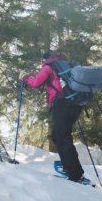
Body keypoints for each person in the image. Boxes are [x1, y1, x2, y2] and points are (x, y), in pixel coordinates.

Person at [21, 50, 87, 183]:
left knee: (62, 138)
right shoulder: (66, 65)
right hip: (75, 104)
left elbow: (35, 83)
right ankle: (69, 166)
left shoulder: (49, 66)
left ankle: (75, 174)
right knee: (58, 136)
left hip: (62, 104)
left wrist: (25, 77)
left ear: (45, 58)